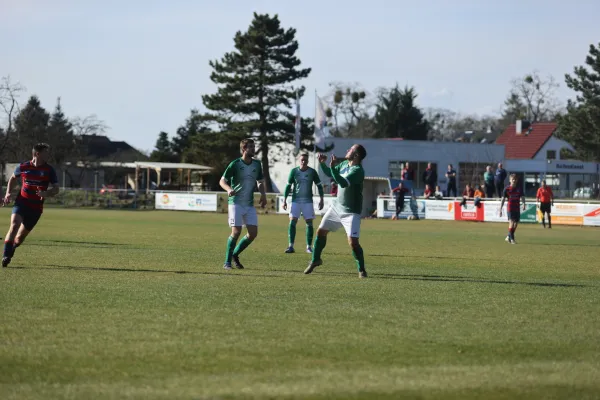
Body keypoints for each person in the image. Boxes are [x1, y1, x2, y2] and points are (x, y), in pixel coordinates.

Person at [304, 144, 368, 278]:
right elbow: (329, 173)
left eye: (350, 149)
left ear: (356, 155)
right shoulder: (345, 164)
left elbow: (343, 183)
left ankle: (361, 269)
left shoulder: (358, 170)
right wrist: (323, 164)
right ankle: (316, 259)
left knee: (353, 242)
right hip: (336, 207)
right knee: (321, 231)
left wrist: (333, 168)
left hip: (351, 212)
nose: (347, 150)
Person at [2, 143, 59, 267]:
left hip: (36, 208)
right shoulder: (23, 166)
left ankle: (13, 248)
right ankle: (6, 256)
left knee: (19, 239)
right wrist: (8, 194)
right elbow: (12, 178)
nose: (48, 155)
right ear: (37, 154)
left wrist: (46, 193)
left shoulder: (49, 170)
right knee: (14, 225)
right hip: (21, 202)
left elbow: (56, 189)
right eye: (46, 152)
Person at [219, 138, 267, 270]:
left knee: (253, 233)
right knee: (236, 232)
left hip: (249, 204)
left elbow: (260, 181)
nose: (253, 149)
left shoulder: (257, 164)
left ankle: (235, 254)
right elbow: (222, 181)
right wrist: (229, 189)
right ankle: (227, 262)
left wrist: (263, 195)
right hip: (235, 203)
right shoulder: (235, 164)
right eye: (250, 147)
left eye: (254, 146)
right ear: (243, 149)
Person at [282, 153, 324, 254]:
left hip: (308, 202)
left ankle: (309, 247)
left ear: (308, 161)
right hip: (296, 201)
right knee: (292, 222)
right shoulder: (294, 171)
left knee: (309, 223)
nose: (303, 161)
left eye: (305, 160)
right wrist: (284, 200)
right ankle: (290, 246)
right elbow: (288, 186)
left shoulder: (312, 172)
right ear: (299, 160)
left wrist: (322, 199)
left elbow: (319, 185)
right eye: (302, 160)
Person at [500, 174, 526, 244]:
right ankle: (512, 239)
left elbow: (522, 197)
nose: (514, 180)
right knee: (511, 222)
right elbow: (503, 199)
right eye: (512, 179)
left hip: (517, 208)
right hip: (510, 208)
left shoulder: (519, 189)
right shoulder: (506, 189)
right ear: (510, 180)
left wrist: (524, 204)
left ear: (517, 180)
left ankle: (508, 236)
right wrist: (500, 209)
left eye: (515, 179)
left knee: (516, 223)